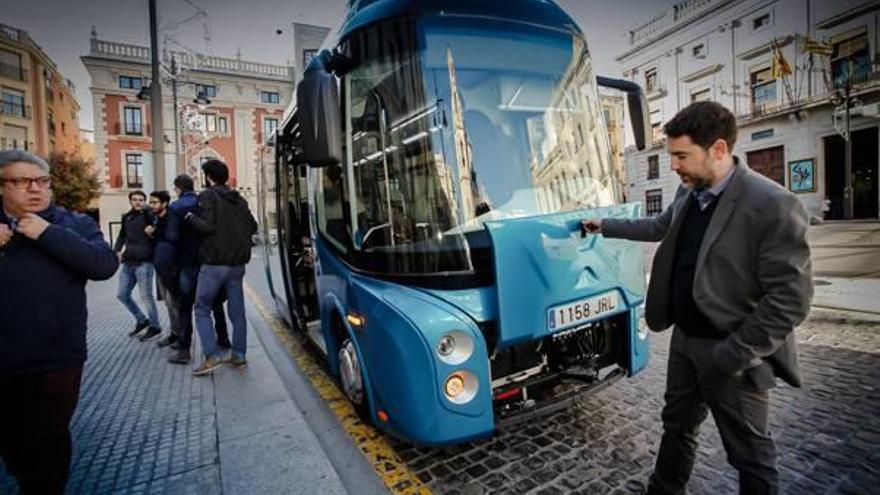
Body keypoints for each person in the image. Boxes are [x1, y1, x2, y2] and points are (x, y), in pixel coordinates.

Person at [581, 101, 812, 495]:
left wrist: (735, 354)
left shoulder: (773, 204)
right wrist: (604, 225)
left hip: (733, 352)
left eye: (681, 155)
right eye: (672, 155)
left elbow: (790, 299)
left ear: (718, 150)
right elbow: (658, 226)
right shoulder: (690, 191)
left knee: (751, 455)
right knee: (677, 427)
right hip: (685, 341)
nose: (674, 165)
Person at [0, 149, 118, 494]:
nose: (34, 189)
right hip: (3, 362)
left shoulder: (73, 224)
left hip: (56, 360)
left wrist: (46, 233)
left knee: (48, 446)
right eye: (22, 182)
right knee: (13, 444)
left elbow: (103, 265)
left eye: (42, 182)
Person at [185, 159, 257, 376]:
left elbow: (207, 226)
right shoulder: (239, 199)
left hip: (214, 263)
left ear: (208, 177)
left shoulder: (208, 196)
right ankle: (239, 355)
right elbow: (253, 226)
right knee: (237, 311)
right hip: (237, 265)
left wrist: (190, 217)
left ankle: (211, 356)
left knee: (202, 308)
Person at [166, 174, 230, 364]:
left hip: (187, 262)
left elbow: (172, 237)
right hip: (209, 261)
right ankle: (224, 339)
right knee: (215, 303)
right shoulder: (205, 202)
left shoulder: (176, 207)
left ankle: (184, 349)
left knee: (185, 305)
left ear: (178, 188)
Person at [114, 190, 161, 341]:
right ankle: (142, 320)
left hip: (144, 263)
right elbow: (122, 235)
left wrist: (153, 228)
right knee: (122, 295)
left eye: (141, 199)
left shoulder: (148, 214)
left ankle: (155, 327)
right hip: (128, 262)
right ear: (130, 201)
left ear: (144, 201)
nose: (138, 202)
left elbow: (157, 224)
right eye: (135, 199)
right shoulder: (127, 217)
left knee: (146, 296)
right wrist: (116, 250)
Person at [147, 190, 182, 345]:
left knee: (174, 302)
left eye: (154, 202)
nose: (151, 205)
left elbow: (173, 241)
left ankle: (181, 335)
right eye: (151, 202)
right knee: (169, 303)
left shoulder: (171, 219)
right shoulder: (156, 219)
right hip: (160, 267)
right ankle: (175, 333)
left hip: (172, 268)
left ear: (164, 204)